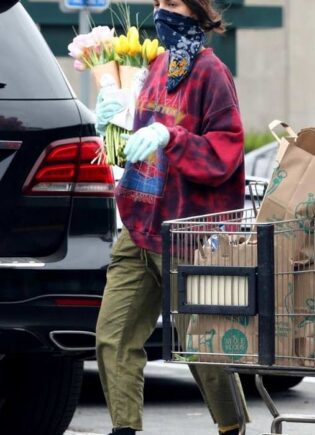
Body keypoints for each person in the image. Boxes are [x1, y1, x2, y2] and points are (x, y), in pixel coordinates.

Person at [95, 1, 248, 434]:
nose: (163, 11)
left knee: (202, 347)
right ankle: (124, 428)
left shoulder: (211, 72)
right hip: (140, 227)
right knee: (114, 337)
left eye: (174, 3)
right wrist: (109, 125)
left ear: (198, 10)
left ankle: (231, 426)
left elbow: (226, 149)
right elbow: (131, 150)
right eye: (159, 2)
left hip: (191, 233)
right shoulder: (157, 67)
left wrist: (171, 136)